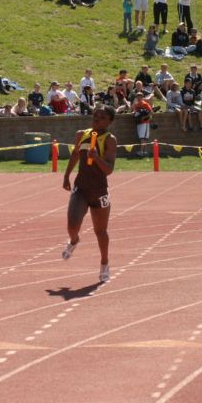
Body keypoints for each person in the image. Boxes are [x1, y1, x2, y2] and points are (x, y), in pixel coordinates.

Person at [61, 106, 117, 283]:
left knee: (100, 231)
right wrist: (66, 175)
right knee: (72, 225)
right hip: (81, 188)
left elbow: (109, 170)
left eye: (102, 117)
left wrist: (97, 157)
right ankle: (74, 240)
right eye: (95, 115)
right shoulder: (81, 134)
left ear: (109, 122)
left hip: (100, 190)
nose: (97, 119)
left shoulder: (109, 140)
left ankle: (104, 264)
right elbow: (75, 156)